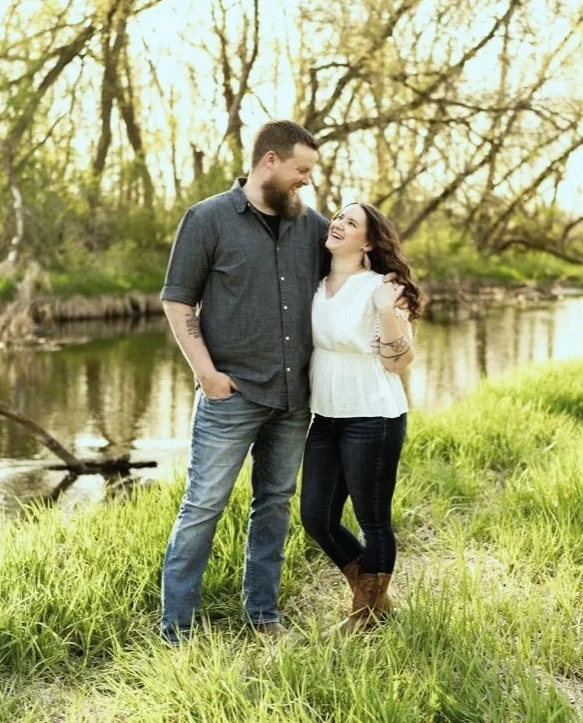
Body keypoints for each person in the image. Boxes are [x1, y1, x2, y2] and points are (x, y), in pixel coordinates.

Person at [158, 120, 328, 644]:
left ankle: (261, 615)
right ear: (270, 161)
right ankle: (177, 629)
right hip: (231, 395)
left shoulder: (314, 226)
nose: (306, 181)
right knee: (204, 505)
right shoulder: (207, 219)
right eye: (301, 170)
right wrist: (206, 375)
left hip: (294, 397)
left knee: (274, 504)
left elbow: (348, 279)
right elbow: (177, 299)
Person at [299, 202, 423, 634]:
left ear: (368, 242)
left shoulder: (382, 289)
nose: (337, 224)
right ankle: (372, 596)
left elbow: (399, 362)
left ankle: (366, 613)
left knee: (373, 519)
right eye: (337, 217)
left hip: (373, 415)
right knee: (316, 517)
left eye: (350, 222)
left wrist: (388, 310)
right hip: (325, 416)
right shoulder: (313, 284)